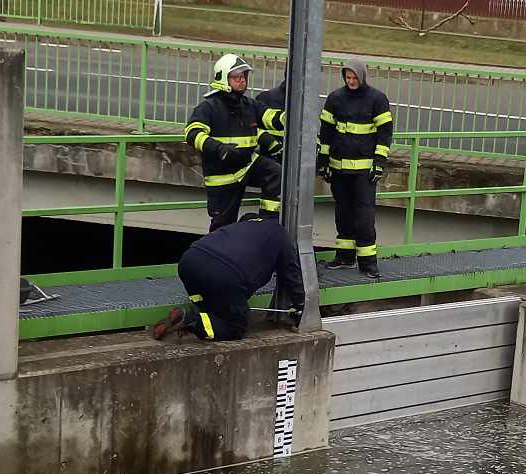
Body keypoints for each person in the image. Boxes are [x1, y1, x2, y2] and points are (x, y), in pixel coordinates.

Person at [152, 214, 306, 343]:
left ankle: (190, 318)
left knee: (214, 308)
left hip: (189, 261)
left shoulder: (240, 227)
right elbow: (291, 274)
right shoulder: (280, 235)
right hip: (226, 274)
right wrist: (301, 305)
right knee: (235, 328)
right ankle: (191, 321)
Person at [317, 56, 395, 276]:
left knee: (364, 217)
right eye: (347, 77)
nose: (351, 81)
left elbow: (385, 133)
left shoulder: (377, 99)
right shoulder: (335, 99)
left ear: (362, 76)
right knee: (343, 214)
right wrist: (323, 162)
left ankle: (368, 264)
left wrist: (379, 162)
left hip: (363, 172)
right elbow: (326, 132)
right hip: (339, 169)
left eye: (354, 77)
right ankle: (345, 257)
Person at [185, 53, 280, 230]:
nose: (242, 80)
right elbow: (192, 133)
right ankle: (215, 255)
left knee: (274, 172)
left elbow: (270, 118)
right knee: (222, 227)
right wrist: (219, 149)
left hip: (246, 166)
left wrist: (292, 116)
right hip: (222, 176)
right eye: (237, 77)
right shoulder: (209, 107)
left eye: (244, 76)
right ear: (223, 78)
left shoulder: (249, 104)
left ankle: (268, 223)